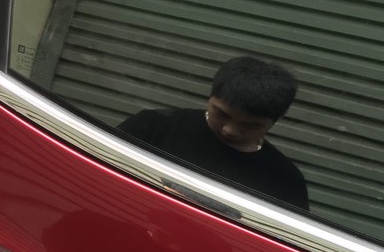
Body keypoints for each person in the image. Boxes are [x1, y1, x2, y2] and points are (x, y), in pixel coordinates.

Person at [118, 56, 309, 211]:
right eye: (221, 114)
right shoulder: (153, 127)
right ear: (211, 95)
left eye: (250, 126)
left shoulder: (285, 180)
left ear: (280, 117)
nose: (229, 130)